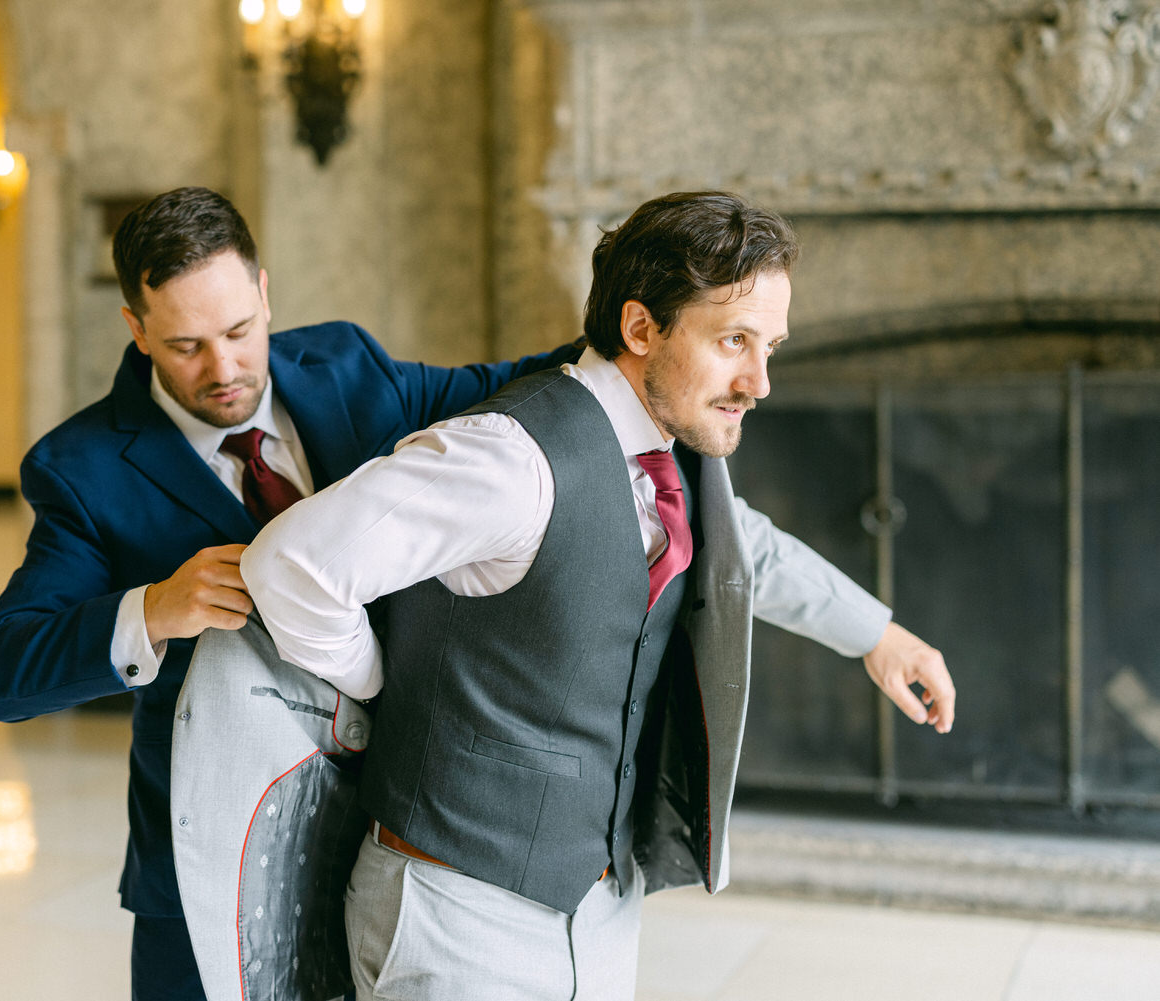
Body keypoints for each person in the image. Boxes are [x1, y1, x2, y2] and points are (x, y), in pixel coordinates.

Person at [242, 190, 957, 1001]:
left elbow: (746, 547)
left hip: (600, 903)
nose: (759, 381)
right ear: (641, 327)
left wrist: (878, 634)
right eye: (733, 341)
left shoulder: (675, 449)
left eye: (770, 346)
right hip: (458, 910)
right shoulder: (506, 460)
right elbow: (293, 565)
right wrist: (378, 679)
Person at [0, 186, 579, 1001]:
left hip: (394, 822)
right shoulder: (79, 468)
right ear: (135, 328)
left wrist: (640, 338)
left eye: (237, 331)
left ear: (264, 292)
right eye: (185, 345)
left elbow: (507, 384)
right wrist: (153, 609)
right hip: (213, 851)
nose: (223, 369)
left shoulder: (346, 363)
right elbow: (3, 672)